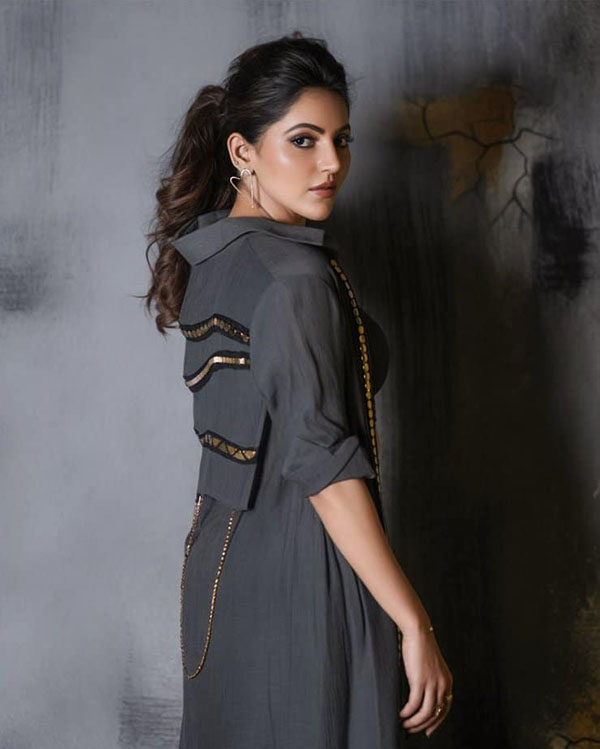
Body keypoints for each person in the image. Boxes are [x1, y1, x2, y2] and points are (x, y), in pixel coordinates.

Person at [143, 31, 453, 748]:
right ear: (242, 151)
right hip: (305, 572)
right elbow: (324, 467)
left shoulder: (215, 255)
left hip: (219, 575)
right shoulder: (294, 279)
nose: (332, 163)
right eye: (304, 140)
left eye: (341, 140)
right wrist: (414, 622)